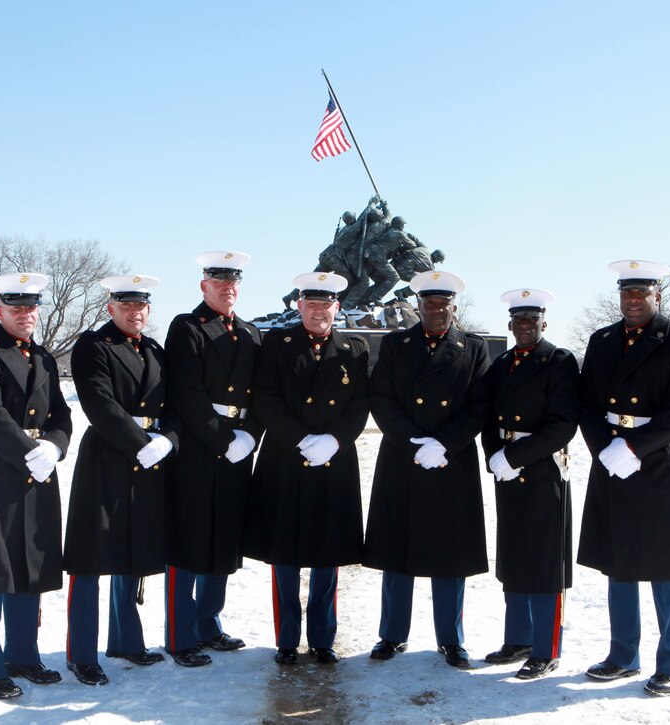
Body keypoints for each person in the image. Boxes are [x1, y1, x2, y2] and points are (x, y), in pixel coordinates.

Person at [577, 260, 670, 696]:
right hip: (613, 459)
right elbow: (586, 403)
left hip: (658, 462)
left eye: (642, 294)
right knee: (619, 562)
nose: (633, 301)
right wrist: (606, 449)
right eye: (627, 294)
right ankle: (622, 655)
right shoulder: (602, 340)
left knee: (667, 566)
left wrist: (634, 447)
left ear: (658, 296)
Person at [362, 270, 491, 669]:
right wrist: (414, 443)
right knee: (397, 551)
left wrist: (444, 443)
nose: (437, 310)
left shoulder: (473, 347)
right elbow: (380, 398)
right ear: (418, 306)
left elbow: (481, 405)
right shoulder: (397, 345)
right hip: (405, 457)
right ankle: (392, 635)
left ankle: (451, 639)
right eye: (429, 304)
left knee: (450, 553)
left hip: (451, 460)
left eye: (443, 304)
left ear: (454, 306)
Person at [0, 272, 72, 699]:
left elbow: (62, 414)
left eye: (31, 307)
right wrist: (31, 452)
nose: (26, 314)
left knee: (32, 565)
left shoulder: (42, 357)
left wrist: (56, 447)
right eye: (17, 307)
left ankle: (24, 654)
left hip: (41, 468)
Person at [244, 272, 370, 665]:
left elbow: (360, 404)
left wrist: (333, 441)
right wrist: (301, 439)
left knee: (327, 553)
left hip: (334, 458)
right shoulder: (276, 345)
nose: (319, 311)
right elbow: (265, 399)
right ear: (299, 306)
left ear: (337, 306)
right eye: (311, 304)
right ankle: (286, 638)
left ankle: (322, 638)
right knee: (284, 553)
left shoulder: (356, 348)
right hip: (286, 456)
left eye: (326, 303)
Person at [62, 274, 180, 685]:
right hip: (108, 458)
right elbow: (98, 403)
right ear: (110, 307)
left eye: (141, 306)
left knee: (134, 553)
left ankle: (127, 641)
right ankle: (81, 654)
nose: (135, 313)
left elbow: (176, 406)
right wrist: (138, 443)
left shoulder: (155, 350)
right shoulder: (94, 346)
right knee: (90, 559)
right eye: (126, 305)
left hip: (149, 457)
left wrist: (168, 440)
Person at [163, 251, 262, 667]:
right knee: (188, 540)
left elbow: (264, 393)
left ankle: (208, 623)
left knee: (223, 537)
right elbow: (186, 393)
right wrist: (223, 439)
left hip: (239, 445)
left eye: (233, 281)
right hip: (199, 448)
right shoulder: (187, 328)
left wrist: (250, 436)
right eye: (218, 281)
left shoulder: (252, 333)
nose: (227, 288)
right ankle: (180, 634)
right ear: (204, 285)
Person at [480, 288, 580, 680]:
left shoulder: (559, 362)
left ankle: (546, 647)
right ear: (510, 324)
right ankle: (517, 638)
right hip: (506, 466)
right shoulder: (501, 363)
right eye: (519, 320)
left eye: (532, 320)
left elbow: (562, 425)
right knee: (514, 554)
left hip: (541, 470)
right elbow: (488, 415)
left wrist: (515, 457)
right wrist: (494, 456)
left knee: (544, 560)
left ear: (543, 323)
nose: (525, 326)